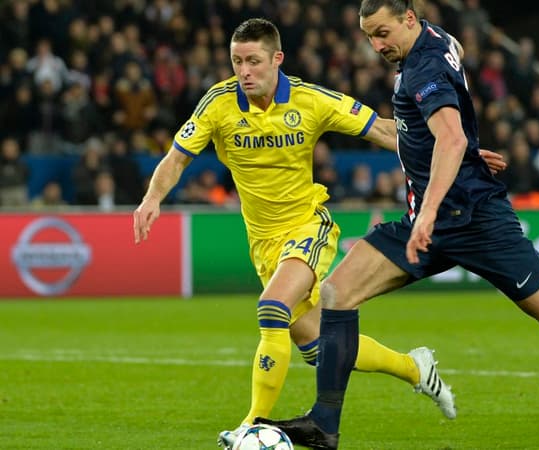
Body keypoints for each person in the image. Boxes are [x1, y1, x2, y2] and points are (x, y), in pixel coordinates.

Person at [262, 2, 539, 448]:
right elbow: (447, 129)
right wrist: (469, 153)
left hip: (475, 219)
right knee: (338, 294)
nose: (377, 45)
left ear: (409, 19)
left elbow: (450, 136)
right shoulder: (441, 40)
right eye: (369, 37)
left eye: (382, 33)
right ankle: (325, 424)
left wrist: (437, 200)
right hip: (430, 218)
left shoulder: (423, 69)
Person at [132, 18, 505, 450]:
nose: (244, 71)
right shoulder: (217, 103)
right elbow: (177, 158)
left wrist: (456, 147)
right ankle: (414, 368)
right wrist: (151, 198)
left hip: (309, 226)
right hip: (263, 242)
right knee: (315, 343)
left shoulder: (311, 100)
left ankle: (252, 426)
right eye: (237, 61)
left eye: (253, 61)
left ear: (277, 59)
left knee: (271, 308)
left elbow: (386, 129)